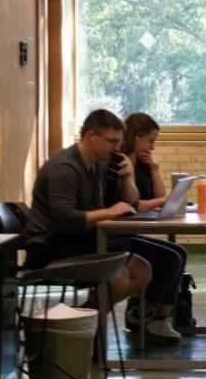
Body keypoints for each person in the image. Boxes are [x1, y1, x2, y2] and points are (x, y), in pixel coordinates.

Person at [22, 109, 151, 313]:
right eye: (112, 141)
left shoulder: (98, 164)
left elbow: (131, 204)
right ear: (91, 135)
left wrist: (128, 178)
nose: (117, 148)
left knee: (142, 269)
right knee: (117, 278)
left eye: (119, 141)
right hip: (49, 246)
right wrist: (109, 212)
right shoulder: (64, 168)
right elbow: (65, 219)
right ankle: (89, 326)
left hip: (78, 240)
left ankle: (88, 314)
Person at [102, 112, 187, 342]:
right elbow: (134, 204)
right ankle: (143, 313)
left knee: (178, 253)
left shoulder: (140, 164)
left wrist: (153, 168)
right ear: (136, 136)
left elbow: (159, 194)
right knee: (169, 258)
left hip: (129, 231)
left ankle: (160, 318)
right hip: (116, 236)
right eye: (150, 140)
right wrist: (162, 202)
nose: (152, 146)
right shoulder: (121, 164)